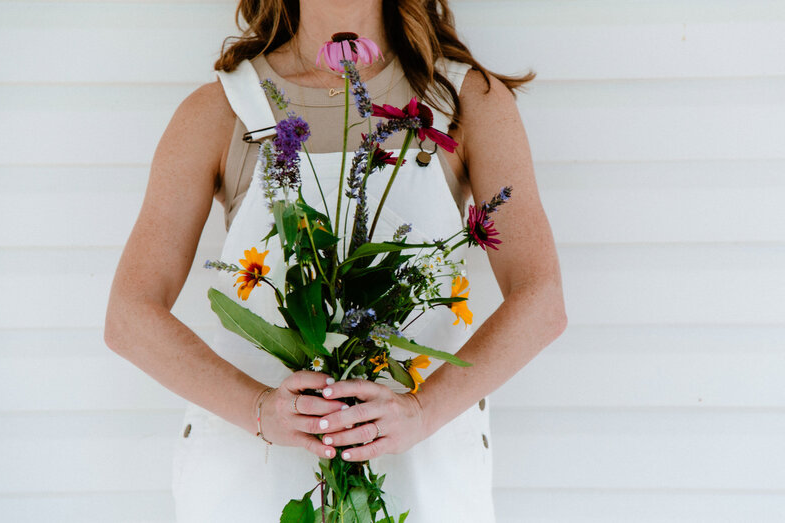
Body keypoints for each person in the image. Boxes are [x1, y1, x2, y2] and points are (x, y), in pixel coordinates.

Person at [104, 0, 567, 521]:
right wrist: (260, 409)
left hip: (419, 474)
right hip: (253, 480)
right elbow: (130, 315)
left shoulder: (465, 102)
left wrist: (420, 411)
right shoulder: (219, 112)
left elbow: (541, 299)